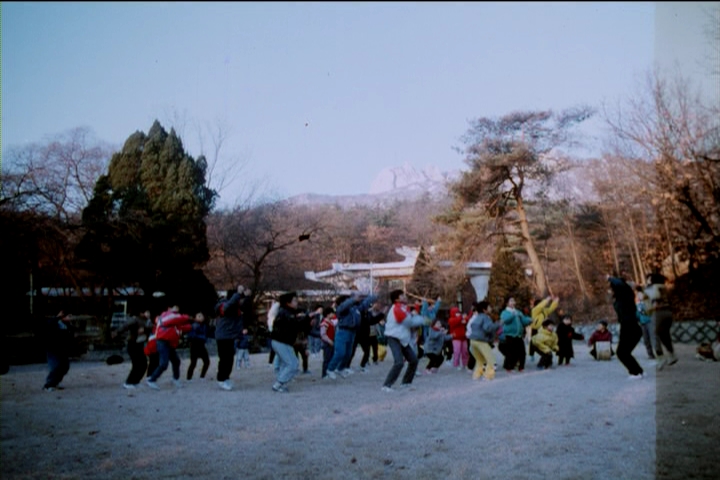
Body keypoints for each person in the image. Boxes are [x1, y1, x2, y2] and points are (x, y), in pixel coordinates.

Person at [381, 290, 427, 391]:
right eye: (402, 295)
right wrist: (422, 320)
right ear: (397, 299)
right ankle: (386, 385)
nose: (405, 297)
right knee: (399, 362)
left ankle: (406, 383)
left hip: (402, 338)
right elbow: (408, 322)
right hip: (393, 337)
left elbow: (410, 317)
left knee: (413, 360)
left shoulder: (403, 308)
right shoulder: (396, 308)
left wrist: (417, 310)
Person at [326, 291, 378, 379]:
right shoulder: (340, 310)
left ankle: (341, 368)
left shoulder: (356, 309)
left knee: (348, 353)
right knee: (340, 352)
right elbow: (344, 306)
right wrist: (353, 299)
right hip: (342, 331)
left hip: (352, 332)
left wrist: (371, 295)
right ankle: (330, 369)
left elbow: (365, 303)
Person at [146, 305, 192, 389]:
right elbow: (176, 319)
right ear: (169, 308)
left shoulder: (173, 319)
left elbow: (178, 328)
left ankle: (175, 379)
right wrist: (186, 317)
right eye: (175, 307)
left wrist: (190, 327)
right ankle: (152, 379)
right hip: (162, 342)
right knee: (164, 363)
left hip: (169, 343)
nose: (177, 309)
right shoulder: (166, 315)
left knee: (176, 361)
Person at [214, 285, 250, 391]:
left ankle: (226, 378)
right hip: (222, 336)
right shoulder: (222, 305)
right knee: (224, 359)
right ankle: (221, 379)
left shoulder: (236, 308)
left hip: (230, 336)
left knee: (230, 358)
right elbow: (227, 307)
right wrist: (238, 294)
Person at [607, 274, 644, 379]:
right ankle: (639, 371)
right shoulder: (621, 297)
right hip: (628, 326)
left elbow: (621, 284)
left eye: (611, 287)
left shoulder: (626, 294)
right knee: (623, 352)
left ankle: (635, 373)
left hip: (630, 327)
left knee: (622, 353)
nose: (610, 290)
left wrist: (609, 277)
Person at [270, 292, 303, 393]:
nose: (297, 302)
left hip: (282, 341)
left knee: (290, 363)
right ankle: (278, 384)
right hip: (281, 341)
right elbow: (294, 323)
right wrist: (305, 318)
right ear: (288, 303)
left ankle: (281, 383)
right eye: (294, 300)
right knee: (292, 364)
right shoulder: (286, 313)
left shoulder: (287, 312)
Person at [645, 272, 677, 370]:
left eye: (648, 279)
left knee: (655, 335)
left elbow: (653, 300)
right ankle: (671, 354)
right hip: (668, 312)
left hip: (658, 313)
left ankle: (660, 357)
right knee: (665, 334)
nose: (647, 280)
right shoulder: (665, 288)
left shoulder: (652, 288)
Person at [112, 311, 149, 389]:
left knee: (144, 364)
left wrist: (145, 329)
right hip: (133, 344)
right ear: (141, 313)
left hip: (140, 345)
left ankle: (135, 381)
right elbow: (125, 325)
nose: (148, 313)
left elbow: (151, 327)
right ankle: (129, 382)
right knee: (137, 364)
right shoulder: (135, 320)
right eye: (146, 312)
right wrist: (117, 332)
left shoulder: (147, 321)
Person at [42, 310, 76, 391]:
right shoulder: (54, 323)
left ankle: (55, 382)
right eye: (68, 316)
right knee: (56, 366)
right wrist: (57, 317)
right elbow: (49, 326)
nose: (70, 318)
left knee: (64, 366)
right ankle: (49, 384)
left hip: (62, 349)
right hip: (53, 349)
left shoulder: (68, 326)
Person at [466, 300, 497, 380]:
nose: (491, 308)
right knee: (491, 360)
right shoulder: (486, 318)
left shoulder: (476, 317)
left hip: (472, 341)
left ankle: (476, 375)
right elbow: (488, 328)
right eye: (489, 307)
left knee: (480, 360)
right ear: (484, 310)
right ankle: (488, 376)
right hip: (481, 341)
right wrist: (497, 325)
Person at [499, 297, 532, 373]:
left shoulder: (518, 312)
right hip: (510, 335)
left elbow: (523, 320)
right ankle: (509, 367)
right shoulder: (504, 312)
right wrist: (512, 315)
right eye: (511, 301)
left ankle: (521, 367)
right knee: (511, 352)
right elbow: (505, 321)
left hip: (519, 335)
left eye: (513, 300)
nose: (513, 302)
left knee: (522, 352)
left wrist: (529, 320)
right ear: (507, 303)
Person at [529, 295, 560, 360]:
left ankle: (546, 353)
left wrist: (555, 302)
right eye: (541, 304)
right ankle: (531, 354)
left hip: (543, 329)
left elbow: (551, 308)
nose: (542, 306)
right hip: (536, 328)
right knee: (533, 342)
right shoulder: (534, 310)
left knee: (544, 341)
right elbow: (540, 306)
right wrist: (546, 300)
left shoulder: (544, 311)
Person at [186, 312, 210, 380]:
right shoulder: (194, 325)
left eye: (201, 316)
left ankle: (202, 377)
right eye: (199, 316)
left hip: (201, 346)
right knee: (193, 363)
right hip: (194, 345)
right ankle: (189, 378)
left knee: (207, 362)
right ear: (196, 318)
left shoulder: (204, 325)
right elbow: (191, 336)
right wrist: (203, 337)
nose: (201, 317)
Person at [635, 287, 657, 360]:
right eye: (638, 295)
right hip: (642, 323)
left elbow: (652, 311)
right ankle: (650, 354)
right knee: (646, 339)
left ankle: (658, 352)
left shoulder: (648, 302)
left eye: (640, 294)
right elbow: (637, 314)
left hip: (650, 321)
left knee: (653, 337)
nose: (639, 296)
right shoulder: (637, 305)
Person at [448, 306, 469, 371]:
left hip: (463, 337)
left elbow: (467, 320)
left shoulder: (460, 318)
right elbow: (456, 321)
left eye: (458, 312)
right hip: (456, 338)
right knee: (457, 352)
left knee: (465, 352)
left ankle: (465, 364)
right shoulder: (451, 319)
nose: (458, 313)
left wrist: (466, 317)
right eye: (456, 312)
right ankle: (456, 364)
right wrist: (462, 317)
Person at [319, 307, 337, 378]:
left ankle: (329, 371)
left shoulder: (331, 322)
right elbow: (323, 334)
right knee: (327, 358)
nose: (333, 314)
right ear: (328, 314)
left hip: (331, 342)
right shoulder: (324, 323)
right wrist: (329, 341)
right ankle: (324, 374)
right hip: (327, 343)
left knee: (331, 357)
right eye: (332, 313)